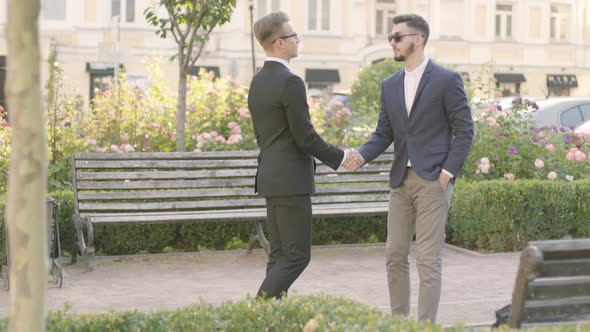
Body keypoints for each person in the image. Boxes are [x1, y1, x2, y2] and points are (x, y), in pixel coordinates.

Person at [346, 14, 474, 322]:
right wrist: (361, 155)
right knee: (394, 255)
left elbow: (465, 129)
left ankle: (425, 327)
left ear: (418, 39)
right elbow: (383, 132)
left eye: (397, 37)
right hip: (400, 182)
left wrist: (447, 174)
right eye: (390, 37)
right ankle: (398, 323)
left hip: (433, 180)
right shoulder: (389, 84)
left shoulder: (446, 79)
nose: (392, 42)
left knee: (428, 261)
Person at [248, 11, 361, 299]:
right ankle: (254, 312)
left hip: (270, 178)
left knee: (279, 256)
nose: (298, 39)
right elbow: (304, 136)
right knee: (297, 256)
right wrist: (340, 157)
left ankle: (271, 320)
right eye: (292, 35)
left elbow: (266, 136)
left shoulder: (258, 81)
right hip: (290, 181)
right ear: (278, 43)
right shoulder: (290, 82)